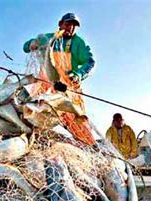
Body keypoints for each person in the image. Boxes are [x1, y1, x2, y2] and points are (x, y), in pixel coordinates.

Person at [23, 13, 96, 145]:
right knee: (36, 116)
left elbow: (90, 62)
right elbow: (25, 46)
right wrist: (31, 44)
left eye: (74, 26)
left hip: (69, 89)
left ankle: (88, 145)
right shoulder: (48, 38)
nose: (71, 28)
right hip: (46, 86)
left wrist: (78, 74)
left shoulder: (79, 43)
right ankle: (34, 142)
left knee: (79, 122)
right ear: (60, 24)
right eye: (68, 24)